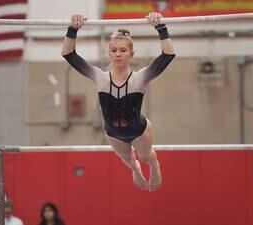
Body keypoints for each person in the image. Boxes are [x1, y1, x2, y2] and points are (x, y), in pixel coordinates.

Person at [61, 12, 175, 191]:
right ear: (108, 53)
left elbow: (168, 55)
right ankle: (135, 170)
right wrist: (73, 28)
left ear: (131, 53)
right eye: (114, 50)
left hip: (139, 131)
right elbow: (68, 54)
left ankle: (154, 165)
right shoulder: (100, 78)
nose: (118, 54)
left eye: (123, 50)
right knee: (129, 160)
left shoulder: (140, 79)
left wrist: (160, 27)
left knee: (146, 157)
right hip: (113, 133)